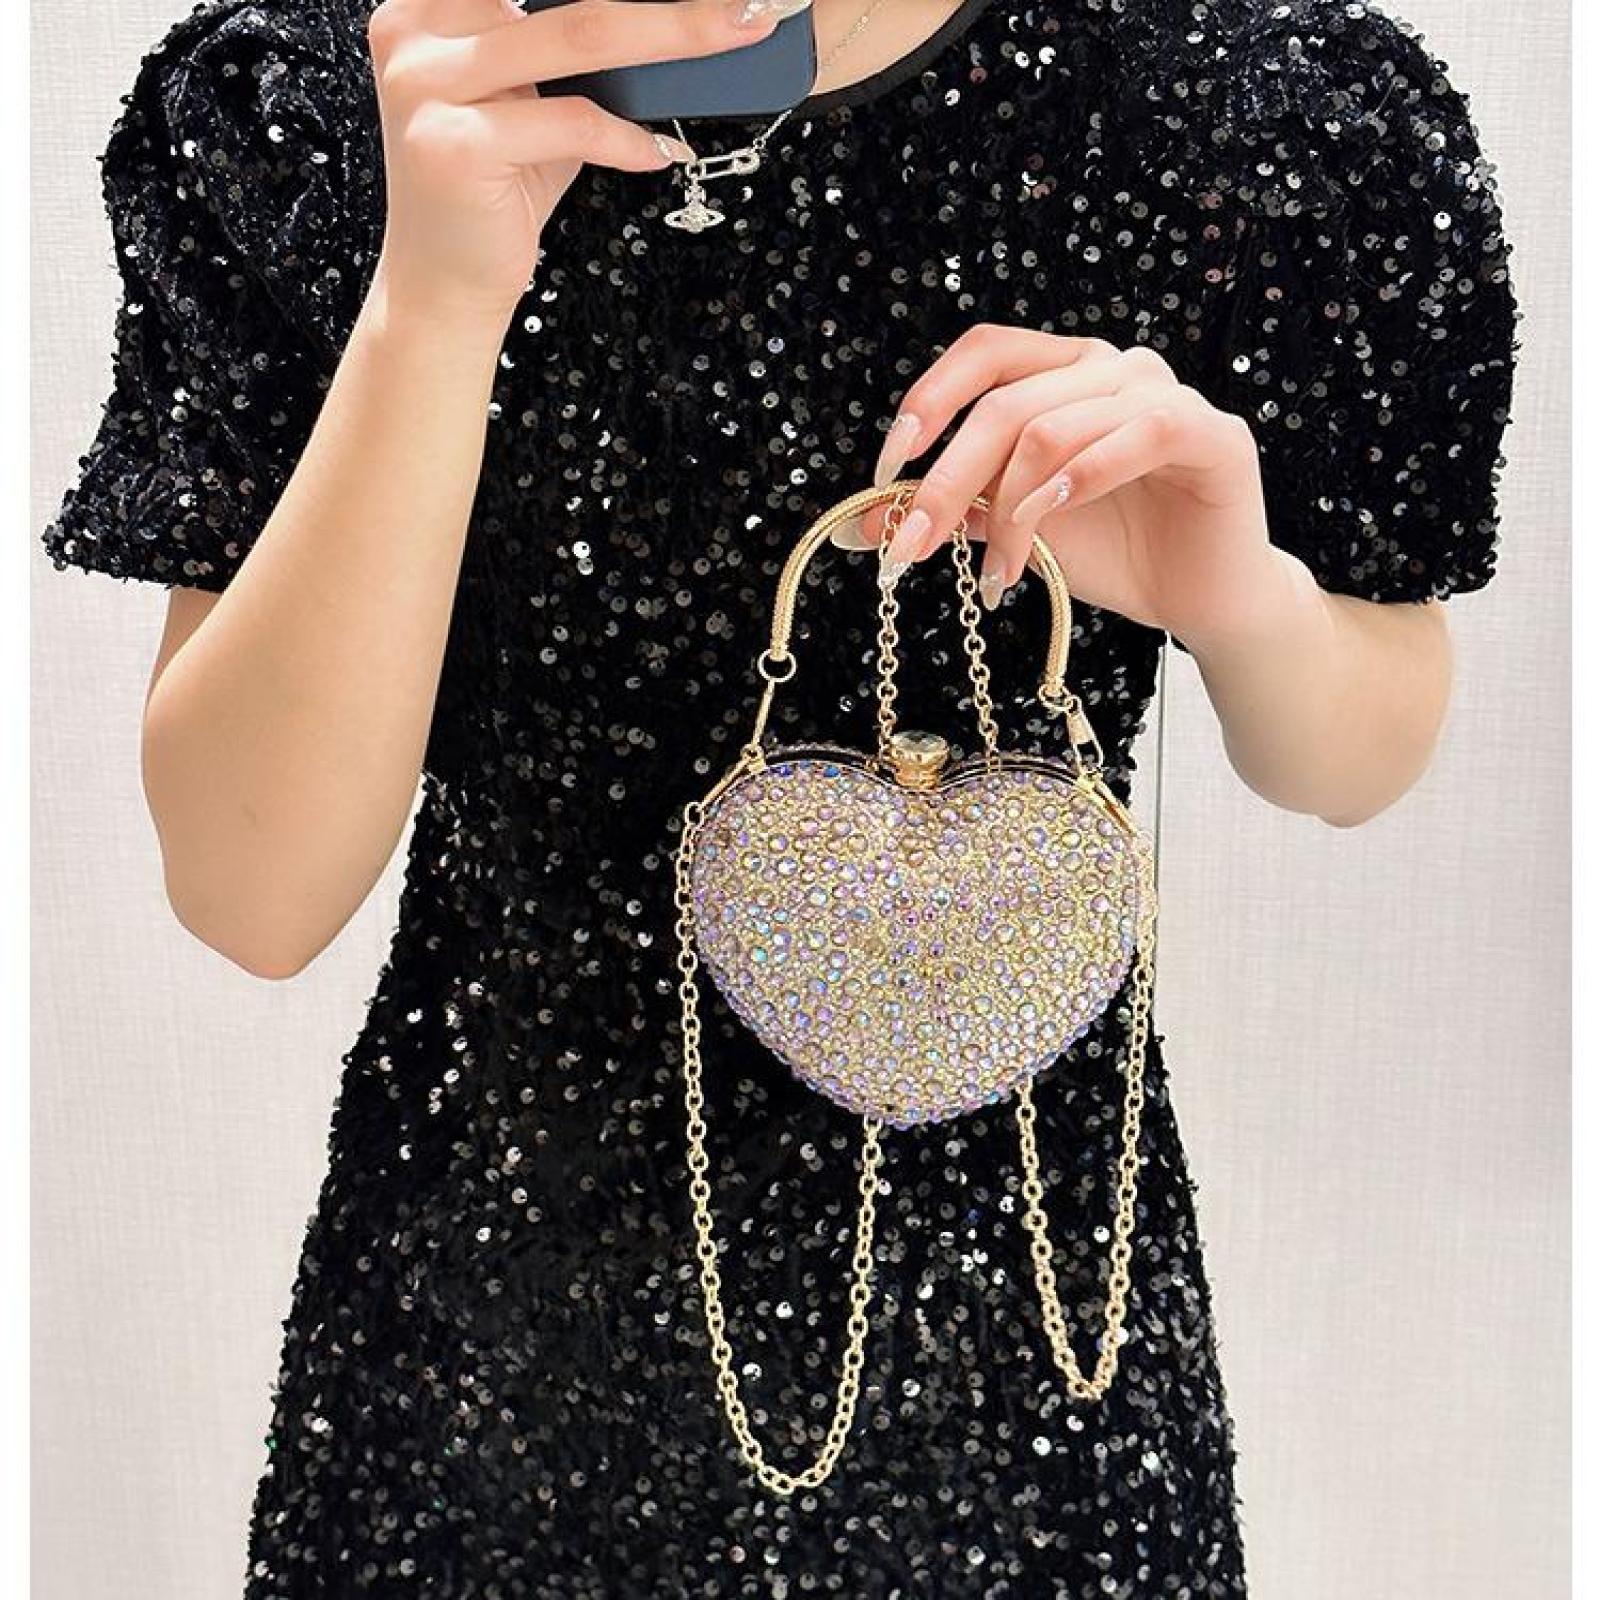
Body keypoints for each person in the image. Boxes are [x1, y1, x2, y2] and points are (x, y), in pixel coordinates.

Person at [40, 0, 1516, 1592]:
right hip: (483, 1378)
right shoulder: (324, 107)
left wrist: (1238, 600)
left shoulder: (1254, 112)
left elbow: (1360, 753)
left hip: (1032, 1376)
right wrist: (433, 303)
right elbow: (252, 895)